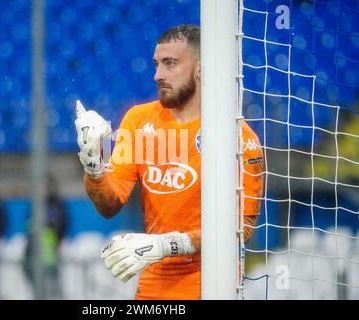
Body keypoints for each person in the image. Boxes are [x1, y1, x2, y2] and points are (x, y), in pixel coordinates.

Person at [74, 25, 264, 300]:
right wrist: (94, 167)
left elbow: (242, 230)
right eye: (156, 64)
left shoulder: (239, 137)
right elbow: (109, 205)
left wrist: (168, 245)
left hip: (212, 285)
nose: (157, 75)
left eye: (170, 63)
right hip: (153, 288)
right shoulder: (138, 121)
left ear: (201, 68)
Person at [24, 174, 68, 297]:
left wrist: (58, 238)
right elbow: (28, 224)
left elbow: (63, 223)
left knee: (52, 281)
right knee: (38, 282)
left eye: (47, 185)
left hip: (51, 249)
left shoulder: (57, 204)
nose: (45, 189)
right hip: (37, 249)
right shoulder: (36, 205)